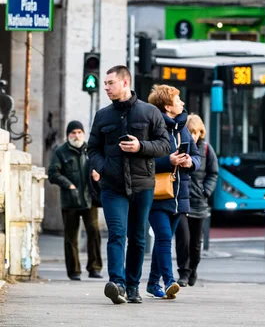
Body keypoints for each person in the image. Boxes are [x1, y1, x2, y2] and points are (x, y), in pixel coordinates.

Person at [87, 66, 171, 305]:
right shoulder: (103, 116)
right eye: (104, 83)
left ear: (125, 83)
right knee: (116, 233)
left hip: (142, 185)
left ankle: (133, 287)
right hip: (112, 187)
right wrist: (103, 167)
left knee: (137, 238)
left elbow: (165, 145)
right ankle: (117, 283)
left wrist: (140, 147)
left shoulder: (150, 112)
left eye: (110, 83)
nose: (106, 87)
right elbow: (92, 148)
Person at [146, 85, 201, 299]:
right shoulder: (153, 127)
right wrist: (167, 161)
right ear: (167, 106)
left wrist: (190, 162)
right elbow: (144, 159)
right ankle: (169, 281)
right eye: (178, 100)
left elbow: (196, 156)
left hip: (180, 194)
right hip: (157, 193)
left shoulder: (182, 128)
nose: (183, 104)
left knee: (164, 239)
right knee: (164, 238)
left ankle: (152, 283)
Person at [48, 120, 103, 281]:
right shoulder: (61, 152)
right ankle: (74, 271)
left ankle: (94, 268)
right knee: (71, 236)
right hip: (70, 200)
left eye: (79, 132)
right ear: (68, 135)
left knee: (94, 232)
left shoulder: (90, 150)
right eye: (73, 133)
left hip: (89, 199)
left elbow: (102, 167)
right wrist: (69, 185)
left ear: (83, 134)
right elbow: (53, 173)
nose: (76, 135)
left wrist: (98, 176)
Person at [175, 114, 218, 287]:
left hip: (199, 202)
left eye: (196, 132)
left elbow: (213, 173)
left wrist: (206, 191)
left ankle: (193, 268)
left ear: (201, 132)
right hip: (182, 200)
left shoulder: (206, 149)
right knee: (183, 239)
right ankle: (183, 273)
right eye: (190, 132)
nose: (193, 136)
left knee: (195, 243)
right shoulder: (179, 147)